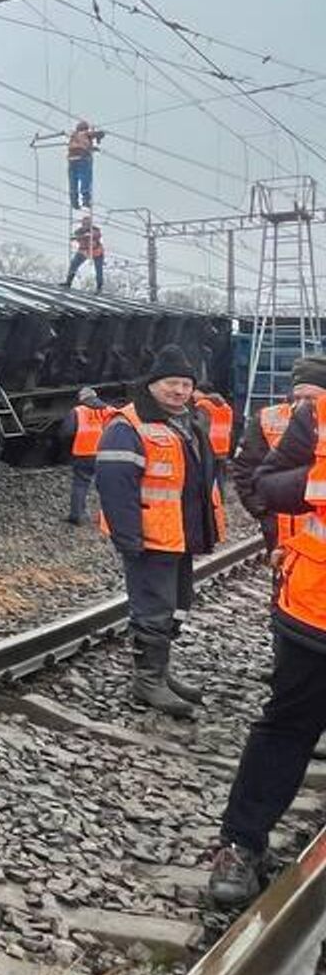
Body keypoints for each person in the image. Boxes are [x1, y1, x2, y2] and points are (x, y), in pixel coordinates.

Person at [209, 380, 326, 903]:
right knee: (286, 728)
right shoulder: (318, 415)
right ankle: (240, 845)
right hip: (315, 610)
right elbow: (269, 482)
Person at [94, 344, 224, 719]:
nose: (179, 391)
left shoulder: (189, 421)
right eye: (171, 383)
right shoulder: (127, 425)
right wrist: (128, 538)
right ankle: (147, 681)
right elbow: (115, 486)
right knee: (153, 609)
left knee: (176, 606)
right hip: (150, 537)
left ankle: (161, 674)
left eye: (185, 384)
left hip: (180, 534)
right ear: (152, 384)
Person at [233, 357, 326, 552]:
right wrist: (263, 512)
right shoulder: (269, 418)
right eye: (297, 397)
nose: (301, 405)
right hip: (280, 531)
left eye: (311, 399)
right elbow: (245, 469)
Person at [56, 386, 113, 525]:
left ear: (82, 398)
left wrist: (68, 447)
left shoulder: (77, 411)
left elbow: (66, 433)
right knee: (108, 485)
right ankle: (108, 518)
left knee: (80, 484)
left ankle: (77, 516)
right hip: (106, 453)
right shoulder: (109, 410)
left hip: (84, 452)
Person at [195, 384, 236, 497]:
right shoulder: (226, 407)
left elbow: (200, 427)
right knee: (219, 478)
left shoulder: (203, 405)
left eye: (195, 391)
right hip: (223, 446)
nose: (193, 394)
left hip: (208, 447)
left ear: (201, 392)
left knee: (207, 478)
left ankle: (210, 502)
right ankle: (220, 501)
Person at [66, 119, 107, 209]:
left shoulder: (73, 136)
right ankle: (86, 200)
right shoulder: (84, 134)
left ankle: (74, 202)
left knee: (73, 183)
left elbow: (83, 145)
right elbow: (98, 134)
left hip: (71, 160)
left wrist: (93, 148)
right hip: (82, 159)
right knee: (85, 179)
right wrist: (100, 134)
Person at [64, 214, 106, 293]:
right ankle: (68, 282)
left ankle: (99, 287)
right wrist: (76, 237)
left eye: (87, 224)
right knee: (74, 264)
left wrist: (86, 236)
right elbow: (76, 234)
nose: (85, 225)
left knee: (98, 270)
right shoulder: (79, 231)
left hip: (97, 252)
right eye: (84, 224)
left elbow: (97, 234)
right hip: (84, 251)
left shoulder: (95, 230)